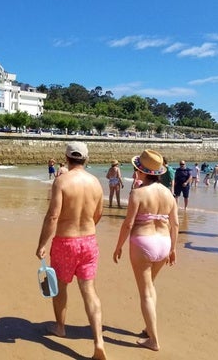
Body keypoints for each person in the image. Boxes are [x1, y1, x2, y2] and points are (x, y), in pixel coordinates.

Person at [36, 142, 107, 360]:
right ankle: (99, 342)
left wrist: (41, 244)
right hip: (89, 241)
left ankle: (60, 327)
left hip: (66, 242)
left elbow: (53, 216)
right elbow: (98, 214)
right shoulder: (96, 183)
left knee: (61, 287)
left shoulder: (62, 181)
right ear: (86, 159)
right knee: (89, 291)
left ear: (66, 158)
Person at [113, 149, 179, 351]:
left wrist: (119, 246)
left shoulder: (138, 192)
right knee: (150, 286)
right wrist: (173, 248)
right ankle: (148, 328)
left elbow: (128, 224)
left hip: (144, 242)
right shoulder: (168, 193)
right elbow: (175, 224)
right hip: (164, 242)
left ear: (141, 171)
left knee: (146, 293)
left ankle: (153, 341)